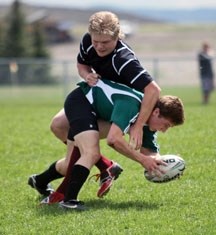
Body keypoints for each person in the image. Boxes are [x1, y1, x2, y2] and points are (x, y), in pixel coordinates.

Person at [28, 11, 161, 198]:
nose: (98, 46)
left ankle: (67, 190)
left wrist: (139, 125)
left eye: (105, 42)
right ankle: (103, 167)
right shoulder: (88, 40)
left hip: (118, 109)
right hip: (93, 99)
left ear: (117, 37)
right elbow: (82, 65)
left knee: (83, 154)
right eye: (95, 41)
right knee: (58, 126)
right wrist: (86, 75)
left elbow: (153, 90)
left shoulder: (124, 60)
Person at [42, 78, 184, 210]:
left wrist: (167, 168)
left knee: (70, 163)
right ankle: (69, 200)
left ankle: (40, 182)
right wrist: (142, 160)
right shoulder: (131, 105)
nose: (164, 130)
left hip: (97, 113)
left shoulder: (147, 124)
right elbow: (113, 140)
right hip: (82, 102)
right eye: (166, 125)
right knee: (88, 151)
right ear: (156, 112)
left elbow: (150, 154)